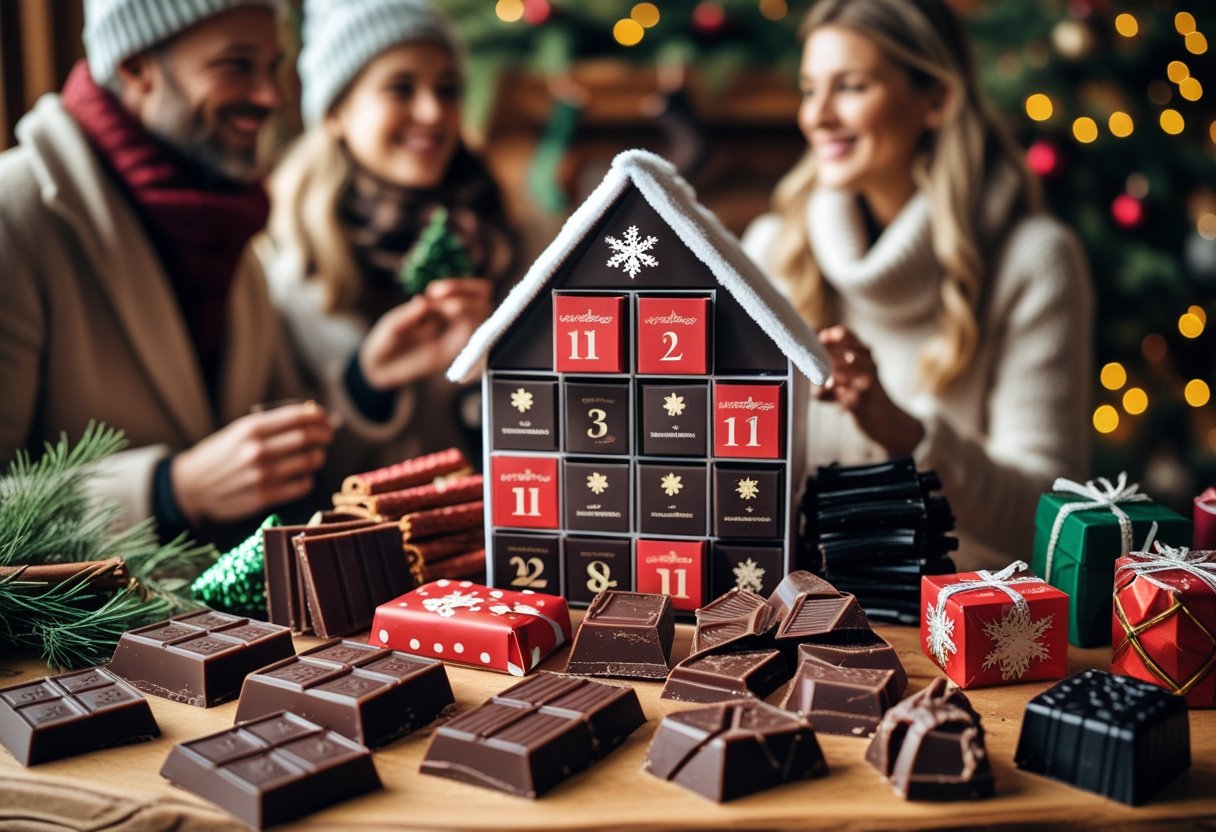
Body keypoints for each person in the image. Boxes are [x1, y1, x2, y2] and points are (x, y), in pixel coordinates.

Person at [0, 0, 452, 547]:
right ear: (136, 66)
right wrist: (169, 490)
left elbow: (277, 466)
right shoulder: (15, 216)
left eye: (272, 67)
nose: (270, 96)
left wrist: (365, 384)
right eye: (236, 64)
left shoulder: (234, 230)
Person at [742, 0, 1093, 569]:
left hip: (954, 629)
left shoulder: (1035, 261)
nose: (818, 116)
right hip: (793, 616)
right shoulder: (771, 248)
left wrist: (905, 433)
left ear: (936, 100)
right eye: (810, 89)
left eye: (850, 87)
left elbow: (1050, 524)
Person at [261, 0, 516, 466]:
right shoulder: (279, 261)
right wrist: (366, 384)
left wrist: (496, 374)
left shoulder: (514, 236)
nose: (433, 112)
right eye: (400, 88)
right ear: (336, 112)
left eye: (448, 89)